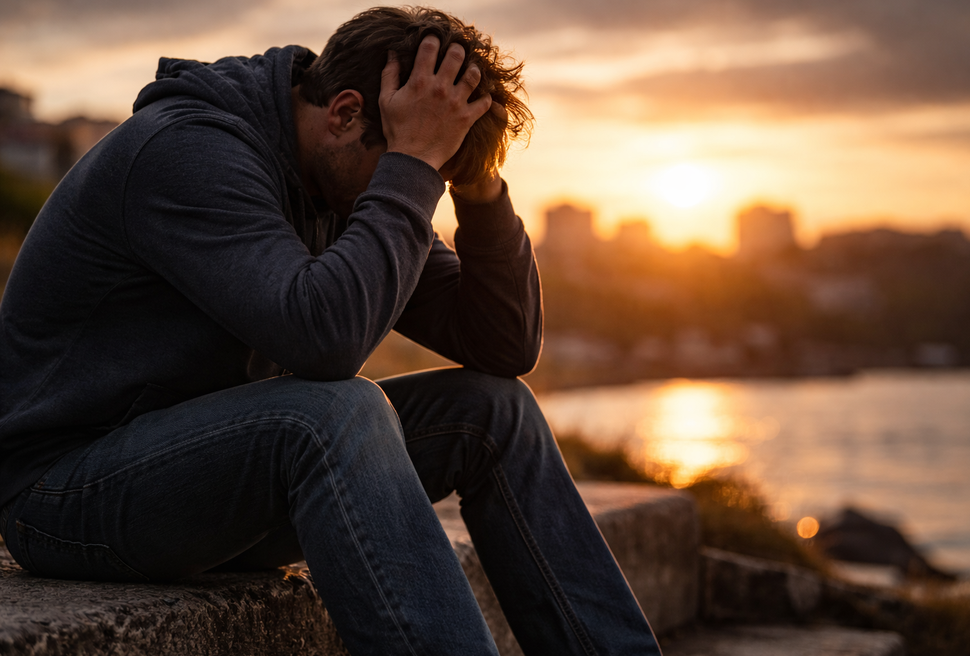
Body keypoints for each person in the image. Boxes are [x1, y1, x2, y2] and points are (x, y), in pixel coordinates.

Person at [0, 6, 662, 655]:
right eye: (413, 162)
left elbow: (502, 346)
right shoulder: (188, 153)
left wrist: (479, 184)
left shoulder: (342, 179)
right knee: (335, 410)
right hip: (62, 495)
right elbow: (324, 343)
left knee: (496, 412)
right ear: (345, 114)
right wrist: (412, 166)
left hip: (211, 489)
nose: (416, 185)